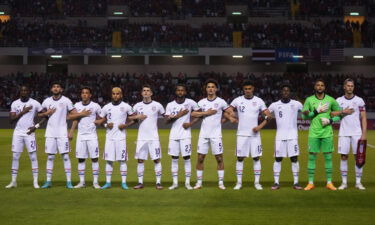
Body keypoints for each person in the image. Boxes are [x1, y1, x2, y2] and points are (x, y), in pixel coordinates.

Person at [301, 79, 353, 191]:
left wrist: (330, 120)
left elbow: (341, 114)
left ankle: (329, 182)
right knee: (311, 157)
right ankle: (310, 183)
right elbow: (304, 117)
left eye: (322, 85)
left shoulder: (331, 100)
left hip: (327, 133)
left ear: (325, 87)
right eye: (318, 85)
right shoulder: (309, 100)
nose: (320, 87)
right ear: (315, 87)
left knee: (328, 157)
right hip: (314, 133)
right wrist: (316, 111)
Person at [226, 80, 271, 190]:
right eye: (245, 89)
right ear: (243, 90)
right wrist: (230, 116)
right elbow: (227, 110)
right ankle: (239, 183)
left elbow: (268, 116)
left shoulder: (259, 101)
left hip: (255, 135)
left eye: (249, 89)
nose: (247, 91)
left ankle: (257, 183)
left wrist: (259, 127)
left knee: (256, 158)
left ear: (253, 89)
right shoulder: (238, 100)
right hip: (241, 134)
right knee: (240, 158)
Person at [191, 79, 233, 190]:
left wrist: (227, 118)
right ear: (206, 89)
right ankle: (199, 183)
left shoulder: (221, 102)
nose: (210, 89)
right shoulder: (201, 102)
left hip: (216, 135)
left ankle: (220, 183)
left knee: (219, 159)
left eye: (213, 87)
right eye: (208, 87)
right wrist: (206, 113)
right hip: (203, 135)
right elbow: (193, 113)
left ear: (216, 89)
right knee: (200, 158)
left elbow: (229, 111)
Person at [39, 82, 78, 189]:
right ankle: (48, 181)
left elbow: (75, 114)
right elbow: (40, 114)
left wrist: (71, 131)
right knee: (50, 157)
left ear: (61, 89)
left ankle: (69, 182)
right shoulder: (46, 101)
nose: (56, 88)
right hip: (50, 133)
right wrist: (47, 113)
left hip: (62, 133)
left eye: (58, 87)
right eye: (54, 87)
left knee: (65, 157)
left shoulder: (66, 100)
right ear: (51, 89)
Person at [95, 87, 135, 190]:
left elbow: (134, 120)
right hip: (109, 138)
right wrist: (106, 125)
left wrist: (125, 125)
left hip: (121, 138)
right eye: (113, 94)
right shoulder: (106, 107)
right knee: (109, 161)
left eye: (117, 94)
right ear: (111, 95)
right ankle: (108, 183)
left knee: (122, 161)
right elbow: (98, 121)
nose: (115, 95)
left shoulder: (126, 106)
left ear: (121, 95)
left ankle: (124, 183)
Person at [5, 85, 43, 189]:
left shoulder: (35, 103)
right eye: (22, 90)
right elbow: (11, 120)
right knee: (15, 157)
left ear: (29, 92)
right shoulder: (15, 103)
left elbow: (45, 116)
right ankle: (13, 181)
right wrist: (23, 112)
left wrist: (36, 126)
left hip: (29, 133)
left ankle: (35, 182)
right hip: (17, 133)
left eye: (26, 90)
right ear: (19, 92)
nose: (24, 92)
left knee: (33, 157)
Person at [165, 84, 200, 190]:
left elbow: (199, 115)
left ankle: (187, 183)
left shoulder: (191, 103)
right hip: (174, 136)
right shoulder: (170, 105)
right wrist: (178, 115)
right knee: (174, 158)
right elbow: (166, 121)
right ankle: (175, 183)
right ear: (176, 92)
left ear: (185, 92)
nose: (180, 92)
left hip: (185, 135)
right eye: (178, 90)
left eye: (182, 90)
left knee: (186, 158)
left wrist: (190, 124)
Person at [268, 84, 303, 190]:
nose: (285, 92)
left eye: (287, 91)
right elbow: (265, 113)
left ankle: (296, 183)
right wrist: (266, 117)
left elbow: (306, 113)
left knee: (294, 158)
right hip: (280, 136)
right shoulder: (274, 105)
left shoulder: (296, 104)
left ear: (290, 93)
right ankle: (276, 182)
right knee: (278, 159)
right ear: (281, 92)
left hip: (292, 136)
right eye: (283, 91)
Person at [68, 87, 102, 189]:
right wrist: (71, 131)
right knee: (81, 159)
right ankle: (81, 182)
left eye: (86, 93)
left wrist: (101, 122)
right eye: (82, 93)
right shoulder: (77, 105)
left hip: (92, 136)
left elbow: (102, 117)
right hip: (81, 136)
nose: (84, 94)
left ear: (90, 95)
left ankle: (95, 182)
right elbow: (71, 117)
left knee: (94, 159)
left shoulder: (95, 106)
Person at [336, 78, 367, 190]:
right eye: (348, 86)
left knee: (357, 157)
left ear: (353, 87)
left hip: (357, 134)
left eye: (352, 86)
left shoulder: (359, 100)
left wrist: (364, 134)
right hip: (343, 133)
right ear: (344, 87)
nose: (350, 88)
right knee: (343, 157)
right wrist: (342, 112)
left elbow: (363, 117)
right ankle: (344, 183)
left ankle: (358, 183)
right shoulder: (339, 100)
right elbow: (332, 114)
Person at [133, 85, 165, 190]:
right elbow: (130, 118)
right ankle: (140, 182)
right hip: (141, 138)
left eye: (148, 91)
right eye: (144, 91)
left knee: (156, 160)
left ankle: (159, 183)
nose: (146, 92)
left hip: (153, 137)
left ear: (151, 93)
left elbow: (166, 116)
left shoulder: (158, 105)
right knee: (140, 160)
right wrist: (137, 117)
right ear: (141, 93)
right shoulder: (137, 106)